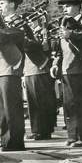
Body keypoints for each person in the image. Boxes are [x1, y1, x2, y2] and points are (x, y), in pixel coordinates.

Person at [51, 0, 82, 147]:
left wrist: (71, 34)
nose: (64, 9)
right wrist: (56, 63)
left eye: (68, 6)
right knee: (69, 104)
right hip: (67, 68)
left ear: (77, 7)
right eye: (63, 6)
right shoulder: (63, 23)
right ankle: (73, 136)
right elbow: (60, 48)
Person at [0, 0, 26, 151]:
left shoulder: (18, 21)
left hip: (10, 67)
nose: (0, 7)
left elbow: (17, 35)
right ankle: (6, 139)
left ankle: (15, 141)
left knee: (11, 107)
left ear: (12, 4)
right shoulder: (0, 24)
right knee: (2, 108)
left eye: (2, 3)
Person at [22, 11, 56, 140]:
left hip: (40, 69)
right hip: (29, 70)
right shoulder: (28, 33)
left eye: (31, 20)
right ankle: (36, 130)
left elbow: (47, 49)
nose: (29, 23)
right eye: (27, 21)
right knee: (32, 103)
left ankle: (45, 130)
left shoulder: (42, 32)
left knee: (42, 101)